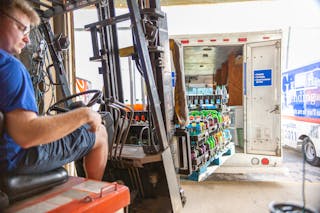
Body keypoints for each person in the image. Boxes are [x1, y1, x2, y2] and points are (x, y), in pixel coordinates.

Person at [0, 0, 108, 180]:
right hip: (16, 158)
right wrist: (85, 114)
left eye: (28, 31)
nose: (27, 38)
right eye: (21, 28)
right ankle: (96, 200)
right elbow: (26, 134)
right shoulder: (9, 66)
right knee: (100, 133)